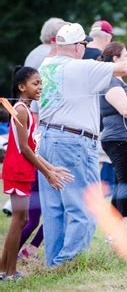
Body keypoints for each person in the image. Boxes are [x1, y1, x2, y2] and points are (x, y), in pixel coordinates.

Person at [37, 23, 127, 267]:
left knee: (54, 207)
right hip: (73, 142)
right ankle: (68, 264)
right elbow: (126, 67)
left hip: (46, 138)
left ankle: (53, 263)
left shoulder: (47, 65)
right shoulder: (80, 67)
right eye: (83, 45)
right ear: (77, 47)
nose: (85, 49)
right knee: (84, 206)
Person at [0, 66, 73, 280]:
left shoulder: (28, 111)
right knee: (18, 220)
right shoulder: (22, 110)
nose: (40, 87)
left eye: (41, 83)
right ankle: (9, 272)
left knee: (21, 220)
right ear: (22, 87)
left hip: (24, 171)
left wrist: (50, 168)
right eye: (35, 83)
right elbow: (24, 149)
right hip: (17, 171)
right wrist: (47, 173)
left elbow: (32, 148)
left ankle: (5, 268)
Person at [99, 42, 127, 226]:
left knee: (123, 181)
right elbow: (126, 110)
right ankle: (121, 225)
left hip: (123, 138)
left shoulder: (118, 82)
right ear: (115, 59)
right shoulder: (111, 83)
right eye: (126, 56)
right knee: (126, 182)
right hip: (118, 139)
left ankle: (116, 224)